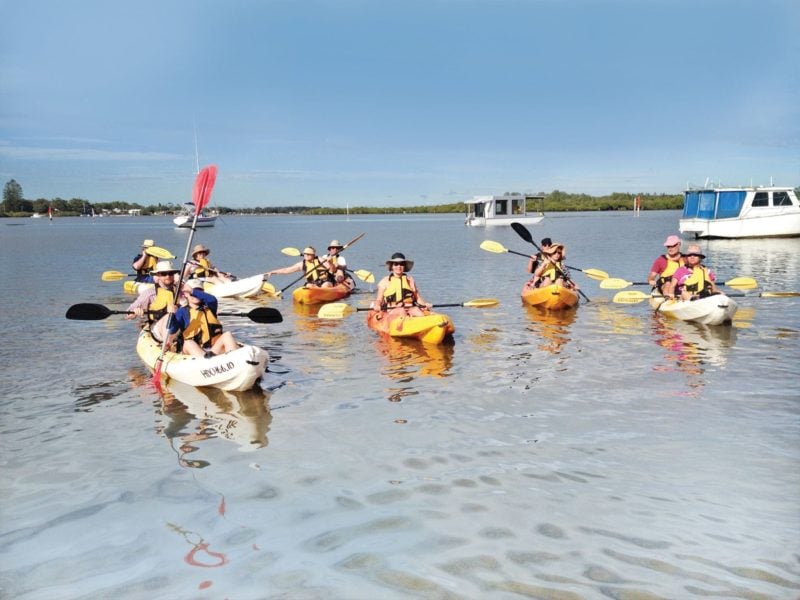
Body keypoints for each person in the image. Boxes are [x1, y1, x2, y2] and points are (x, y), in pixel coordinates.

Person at [165, 279, 239, 358]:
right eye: (191, 293)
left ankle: (235, 362)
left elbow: (212, 299)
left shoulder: (210, 306)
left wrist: (192, 291)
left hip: (213, 350)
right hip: (196, 352)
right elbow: (172, 330)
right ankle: (206, 363)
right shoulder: (182, 312)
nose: (195, 296)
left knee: (227, 335)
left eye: (198, 292)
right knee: (188, 343)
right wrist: (172, 315)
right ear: (185, 295)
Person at [125, 260, 181, 342]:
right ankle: (168, 345)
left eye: (170, 273)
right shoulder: (150, 293)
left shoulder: (180, 291)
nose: (168, 276)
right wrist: (135, 312)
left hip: (178, 326)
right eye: (164, 274)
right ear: (158, 275)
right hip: (158, 327)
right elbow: (128, 313)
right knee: (170, 316)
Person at [371, 252, 431, 317]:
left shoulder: (410, 280)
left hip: (409, 308)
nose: (399, 266)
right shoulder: (384, 281)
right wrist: (377, 305)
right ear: (392, 266)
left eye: (401, 264)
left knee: (417, 311)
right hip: (393, 310)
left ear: (404, 266)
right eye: (396, 264)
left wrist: (425, 305)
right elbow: (379, 299)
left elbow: (418, 298)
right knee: (401, 311)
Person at [265, 246, 333, 287]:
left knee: (326, 285)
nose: (307, 255)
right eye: (305, 254)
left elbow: (332, 270)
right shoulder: (301, 264)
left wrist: (330, 262)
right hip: (312, 284)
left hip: (325, 282)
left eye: (309, 254)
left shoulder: (320, 259)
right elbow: (286, 270)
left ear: (313, 255)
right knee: (309, 285)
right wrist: (272, 272)